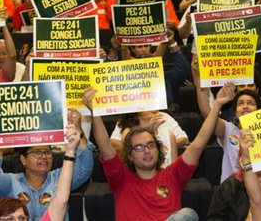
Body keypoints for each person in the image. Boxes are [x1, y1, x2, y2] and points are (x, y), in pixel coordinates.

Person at [82, 80, 234, 221]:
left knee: (188, 215)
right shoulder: (121, 178)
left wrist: (217, 105)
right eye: (139, 147)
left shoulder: (173, 175)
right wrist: (95, 114)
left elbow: (198, 144)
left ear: (158, 148)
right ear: (130, 156)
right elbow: (106, 149)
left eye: (150, 145)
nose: (147, 150)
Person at [0, 110, 93, 221]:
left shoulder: (60, 178)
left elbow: (85, 168)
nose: (43, 156)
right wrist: (1, 139)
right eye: (37, 152)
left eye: (47, 152)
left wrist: (78, 128)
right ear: (23, 160)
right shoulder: (11, 183)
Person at [194, 48, 261, 182]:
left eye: (250, 103)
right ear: (235, 111)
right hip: (233, 191)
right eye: (240, 104)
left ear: (258, 109)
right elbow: (207, 113)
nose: (245, 106)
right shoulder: (228, 129)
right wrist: (200, 78)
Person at [110, 111, 188, 167]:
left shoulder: (165, 120)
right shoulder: (126, 129)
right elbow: (113, 143)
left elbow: (183, 139)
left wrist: (167, 144)